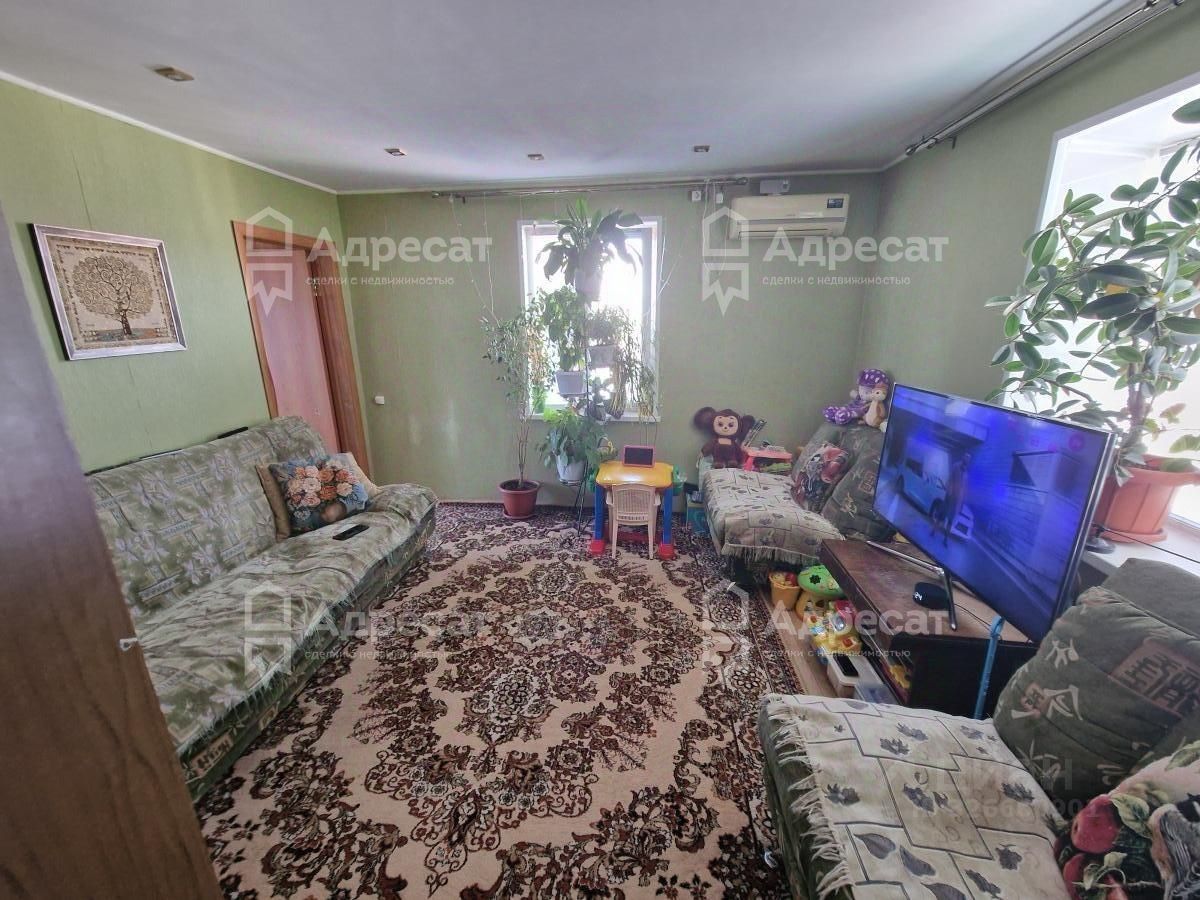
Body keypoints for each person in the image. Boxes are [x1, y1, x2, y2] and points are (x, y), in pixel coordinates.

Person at [940, 452, 970, 545]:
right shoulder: (956, 466)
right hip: (950, 495)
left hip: (956, 500)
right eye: (966, 457)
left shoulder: (966, 474)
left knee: (950, 519)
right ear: (963, 457)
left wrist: (961, 502)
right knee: (942, 515)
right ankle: (933, 531)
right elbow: (950, 478)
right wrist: (948, 491)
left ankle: (945, 539)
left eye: (968, 459)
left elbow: (964, 488)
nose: (967, 460)